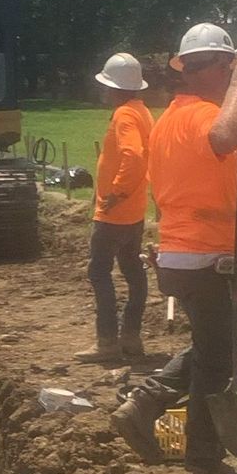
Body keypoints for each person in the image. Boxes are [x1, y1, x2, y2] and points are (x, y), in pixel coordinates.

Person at [112, 23, 237, 474]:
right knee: (218, 364)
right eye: (229, 68)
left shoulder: (169, 119)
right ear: (218, 66)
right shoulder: (201, 115)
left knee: (211, 345)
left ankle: (147, 400)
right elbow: (226, 138)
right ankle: (205, 463)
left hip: (182, 253)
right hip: (206, 256)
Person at [80, 51, 154, 366]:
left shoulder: (124, 114)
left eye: (107, 86)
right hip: (134, 211)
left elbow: (134, 155)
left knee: (99, 272)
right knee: (133, 272)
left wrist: (116, 192)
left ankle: (108, 341)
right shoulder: (142, 111)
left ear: (116, 88)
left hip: (114, 212)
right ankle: (131, 337)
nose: (105, 92)